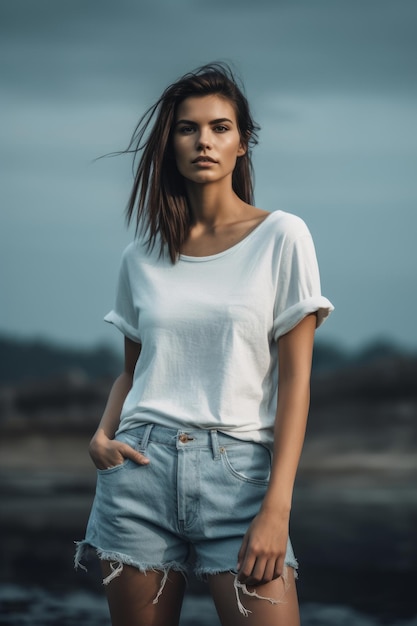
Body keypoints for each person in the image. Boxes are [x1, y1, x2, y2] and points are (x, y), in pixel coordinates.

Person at [75, 62, 333, 626]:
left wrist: (277, 508)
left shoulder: (282, 236)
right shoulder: (140, 256)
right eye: (188, 129)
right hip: (138, 471)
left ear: (243, 143)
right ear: (170, 144)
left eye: (220, 128)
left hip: (238, 475)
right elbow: (134, 371)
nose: (204, 141)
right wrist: (101, 433)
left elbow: (296, 382)